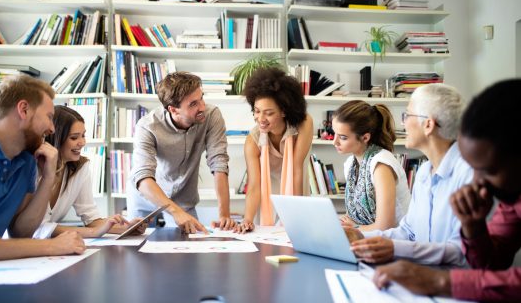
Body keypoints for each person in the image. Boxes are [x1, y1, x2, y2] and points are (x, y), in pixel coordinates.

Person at [373, 79, 521, 303]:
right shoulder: (511, 201)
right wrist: (474, 228)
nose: (477, 181)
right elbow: (492, 265)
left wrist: (440, 281)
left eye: (488, 170)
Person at [348, 84, 471, 266]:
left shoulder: (468, 174)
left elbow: (460, 251)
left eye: (407, 115)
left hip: (452, 286)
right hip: (423, 276)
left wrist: (394, 248)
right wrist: (359, 235)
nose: (403, 123)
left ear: (428, 125)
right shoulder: (424, 172)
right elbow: (408, 231)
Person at [0, 75, 85, 262]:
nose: (53, 129)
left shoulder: (27, 160)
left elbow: (21, 233)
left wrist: (47, 178)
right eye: (49, 117)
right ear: (24, 109)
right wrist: (51, 246)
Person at [127, 72, 234, 234]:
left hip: (183, 198)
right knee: (137, 249)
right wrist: (175, 212)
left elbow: (219, 163)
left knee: (191, 247)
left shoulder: (212, 116)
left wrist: (224, 215)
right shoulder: (147, 126)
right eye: (193, 104)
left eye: (201, 98)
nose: (202, 107)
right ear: (173, 110)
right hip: (146, 197)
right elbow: (143, 177)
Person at [32, 106, 146, 239]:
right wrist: (93, 233)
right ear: (56, 138)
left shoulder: (81, 168)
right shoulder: (33, 169)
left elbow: (92, 220)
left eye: (83, 135)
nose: (82, 143)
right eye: (74, 138)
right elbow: (38, 228)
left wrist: (126, 228)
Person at [236, 67, 313, 233]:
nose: (261, 119)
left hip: (296, 188)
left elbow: (296, 170)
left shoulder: (303, 124)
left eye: (269, 113)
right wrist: (247, 219)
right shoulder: (253, 140)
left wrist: (297, 214)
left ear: (284, 111)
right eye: (257, 111)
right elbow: (255, 185)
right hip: (267, 195)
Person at [332, 100, 410, 231]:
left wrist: (354, 227)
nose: (335, 142)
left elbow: (385, 226)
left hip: (397, 241)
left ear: (365, 138)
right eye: (334, 133)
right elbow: (354, 216)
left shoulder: (381, 165)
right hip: (368, 237)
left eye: (343, 137)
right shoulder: (350, 164)